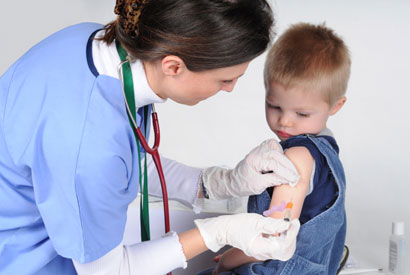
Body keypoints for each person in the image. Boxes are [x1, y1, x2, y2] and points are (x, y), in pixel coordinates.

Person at [0, 1, 302, 274]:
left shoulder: (87, 43)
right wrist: (218, 232)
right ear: (173, 66)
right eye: (225, 79)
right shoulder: (89, 148)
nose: (230, 88)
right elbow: (109, 271)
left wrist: (219, 183)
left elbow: (124, 166)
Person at [205, 22, 351, 274]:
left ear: (336, 106)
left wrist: (230, 258)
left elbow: (273, 238)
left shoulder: (296, 157)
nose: (285, 121)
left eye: (301, 113)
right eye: (274, 106)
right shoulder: (327, 151)